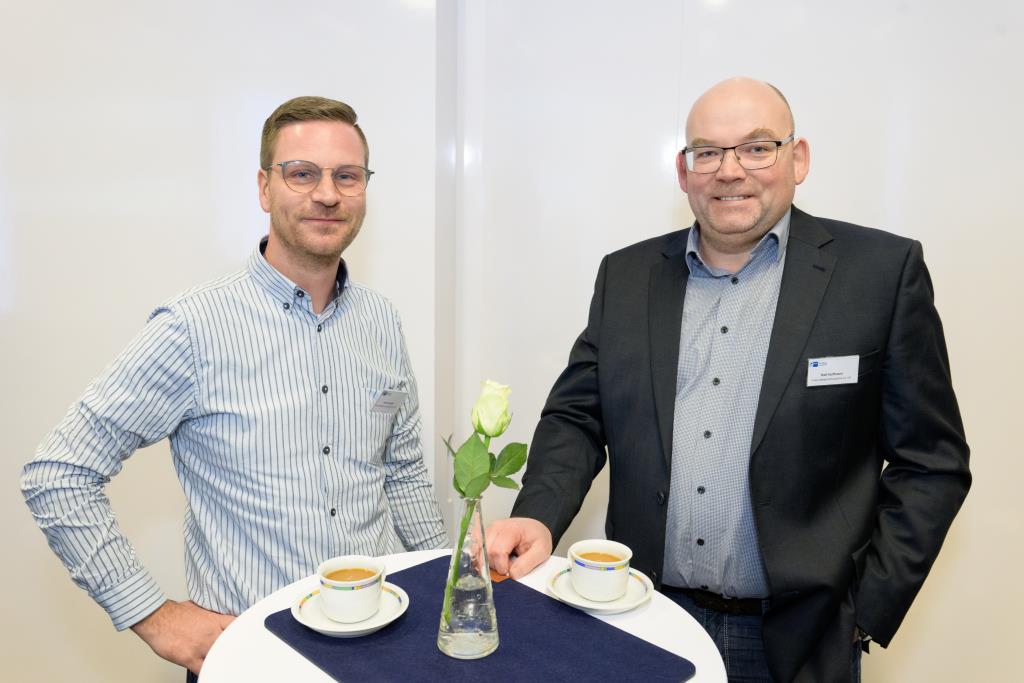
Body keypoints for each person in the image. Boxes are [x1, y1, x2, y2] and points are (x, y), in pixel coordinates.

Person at [486, 77, 970, 682]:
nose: (730, 170)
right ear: (683, 170)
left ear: (798, 159)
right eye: (708, 152)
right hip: (644, 619)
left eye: (757, 147)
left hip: (799, 637)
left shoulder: (879, 274)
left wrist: (865, 608)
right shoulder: (626, 276)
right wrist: (538, 515)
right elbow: (577, 417)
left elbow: (932, 462)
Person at [21, 96, 448, 679]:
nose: (328, 194)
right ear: (264, 188)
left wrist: (447, 582)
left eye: (347, 176)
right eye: (302, 174)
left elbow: (401, 470)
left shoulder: (381, 321)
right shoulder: (193, 328)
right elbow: (58, 472)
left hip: (387, 644)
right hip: (257, 657)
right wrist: (152, 615)